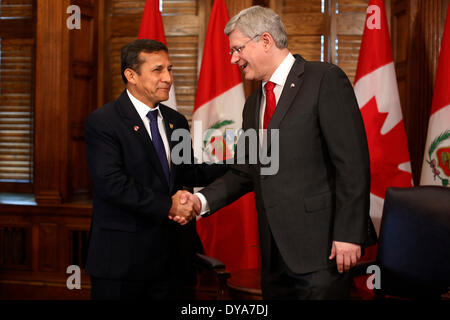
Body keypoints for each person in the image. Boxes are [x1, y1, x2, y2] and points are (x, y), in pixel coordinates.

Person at [176, 6, 377, 299]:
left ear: (266, 41)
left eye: (238, 49)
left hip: (324, 253)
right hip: (274, 259)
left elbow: (352, 165)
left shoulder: (324, 79)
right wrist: (200, 200)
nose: (233, 59)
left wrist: (348, 234)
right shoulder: (254, 103)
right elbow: (246, 169)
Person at [84, 39, 225, 300]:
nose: (168, 78)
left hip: (174, 262)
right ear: (131, 75)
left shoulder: (176, 121)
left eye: (169, 69)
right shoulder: (103, 122)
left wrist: (236, 165)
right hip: (123, 264)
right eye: (158, 70)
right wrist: (169, 206)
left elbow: (189, 171)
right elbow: (112, 184)